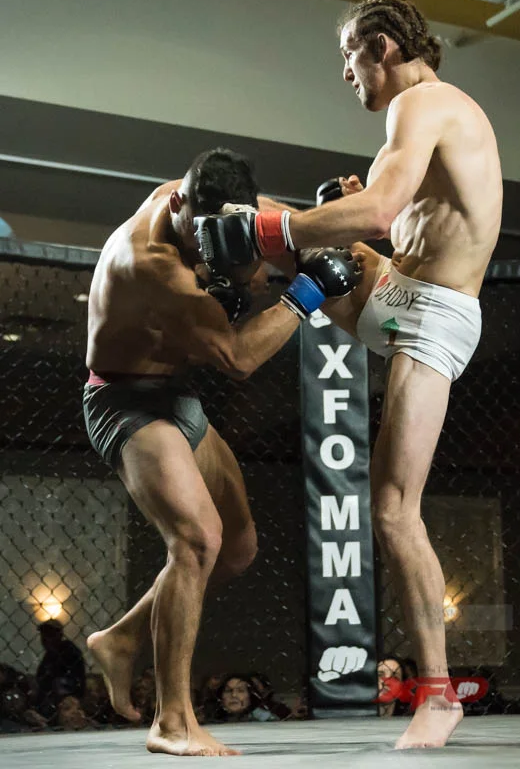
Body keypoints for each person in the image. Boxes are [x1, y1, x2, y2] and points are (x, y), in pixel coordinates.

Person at [195, 0, 502, 749]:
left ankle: (439, 695)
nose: (344, 73)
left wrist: (272, 228)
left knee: (393, 510)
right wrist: (286, 224)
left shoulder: (425, 104)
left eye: (348, 56)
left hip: (434, 318)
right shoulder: (426, 115)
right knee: (260, 223)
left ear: (383, 47)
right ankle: (221, 293)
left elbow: (380, 214)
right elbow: (404, 224)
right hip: (402, 289)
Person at [83, 147, 361, 757]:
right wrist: (308, 289)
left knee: (236, 548)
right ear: (179, 201)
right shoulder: (150, 260)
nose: (204, 244)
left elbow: (297, 232)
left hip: (176, 397)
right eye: (197, 231)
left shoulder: (233, 210)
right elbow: (237, 359)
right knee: (197, 541)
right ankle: (172, 723)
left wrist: (334, 222)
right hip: (126, 402)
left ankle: (122, 639)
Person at [36, 619, 86, 722]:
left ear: (59, 635)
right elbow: (40, 677)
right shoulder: (49, 655)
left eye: (50, 634)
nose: (46, 638)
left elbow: (71, 680)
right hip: (51, 699)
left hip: (67, 696)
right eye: (44, 635)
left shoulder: (69, 650)